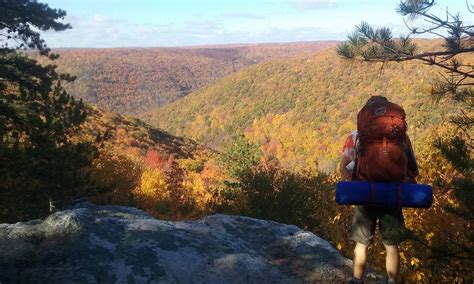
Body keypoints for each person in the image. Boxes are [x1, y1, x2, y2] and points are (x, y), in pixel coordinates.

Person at [339, 96, 419, 284]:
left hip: (366, 195)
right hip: (393, 194)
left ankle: (357, 280)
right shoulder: (401, 137)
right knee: (391, 246)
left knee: (361, 244)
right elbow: (413, 168)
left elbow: (343, 167)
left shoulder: (355, 136)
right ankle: (392, 282)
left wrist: (357, 186)